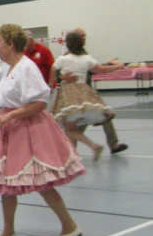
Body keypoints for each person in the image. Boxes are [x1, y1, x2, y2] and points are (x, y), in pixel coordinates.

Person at [0, 24, 85, 236]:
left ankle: (70, 226)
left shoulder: (26, 68)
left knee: (42, 181)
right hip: (8, 127)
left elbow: (40, 103)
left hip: (30, 128)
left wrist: (12, 117)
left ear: (11, 44)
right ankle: (8, 231)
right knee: (6, 181)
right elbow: (7, 104)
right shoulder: (7, 67)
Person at [51, 31, 123, 160]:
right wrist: (118, 66)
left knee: (70, 128)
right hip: (84, 93)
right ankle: (73, 155)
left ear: (68, 44)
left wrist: (53, 83)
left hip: (69, 95)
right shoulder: (86, 58)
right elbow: (102, 69)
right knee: (73, 126)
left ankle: (92, 146)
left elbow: (52, 69)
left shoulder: (63, 59)